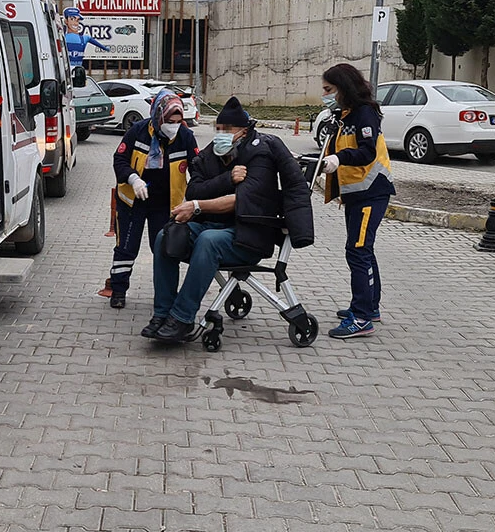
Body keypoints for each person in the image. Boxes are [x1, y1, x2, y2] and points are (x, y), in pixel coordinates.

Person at [145, 97, 315, 342]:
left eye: (228, 130)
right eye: (219, 129)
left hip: (250, 234)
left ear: (244, 131)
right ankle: (161, 315)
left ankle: (181, 319)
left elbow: (240, 200)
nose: (221, 134)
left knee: (208, 240)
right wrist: (226, 180)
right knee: (166, 236)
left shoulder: (261, 152)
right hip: (212, 226)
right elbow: (194, 190)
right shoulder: (211, 154)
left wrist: (197, 206)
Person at [318, 63, 395, 339]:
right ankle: (369, 307)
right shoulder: (345, 115)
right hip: (357, 194)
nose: (325, 95)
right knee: (363, 250)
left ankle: (361, 318)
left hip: (372, 192)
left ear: (343, 87)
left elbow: (365, 152)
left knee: (358, 250)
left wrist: (339, 159)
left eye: (328, 89)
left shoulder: (365, 114)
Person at [107, 89, 198, 309]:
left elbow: (197, 167)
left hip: (165, 204)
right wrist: (133, 179)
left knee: (164, 248)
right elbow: (120, 159)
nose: (174, 125)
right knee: (126, 247)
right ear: (158, 116)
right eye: (169, 120)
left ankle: (166, 293)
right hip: (133, 200)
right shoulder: (138, 131)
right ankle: (118, 290)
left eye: (178, 120)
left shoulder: (184, 136)